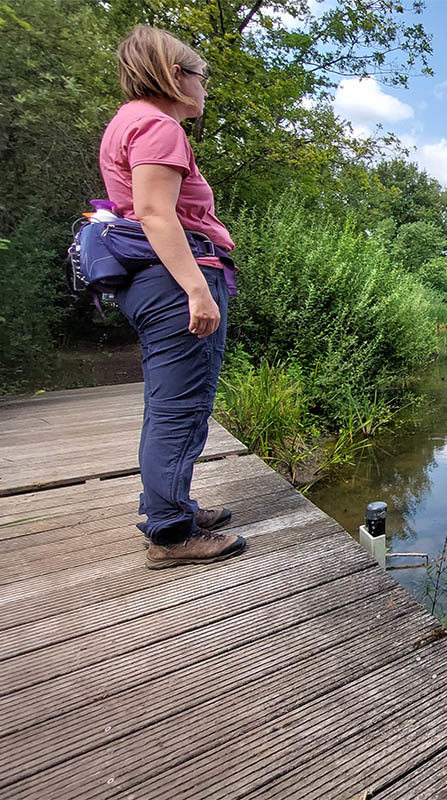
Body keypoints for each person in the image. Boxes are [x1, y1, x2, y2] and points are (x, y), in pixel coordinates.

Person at [99, 24, 245, 569]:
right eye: (201, 76)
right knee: (182, 406)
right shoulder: (158, 127)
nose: (206, 88)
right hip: (176, 281)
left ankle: (174, 504)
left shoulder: (126, 123)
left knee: (169, 401)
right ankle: (170, 532)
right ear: (174, 77)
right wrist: (195, 291)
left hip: (151, 282)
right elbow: (157, 214)